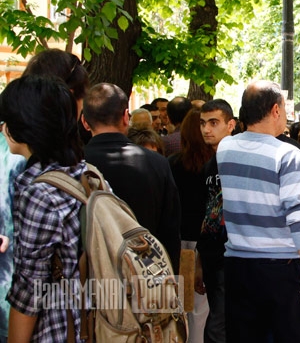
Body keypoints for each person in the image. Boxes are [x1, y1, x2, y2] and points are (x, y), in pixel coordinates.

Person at [216, 81, 300, 342]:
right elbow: (297, 212)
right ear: (275, 110)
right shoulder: (286, 153)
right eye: (284, 108)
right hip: (281, 266)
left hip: (238, 263)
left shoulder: (225, 148)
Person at [0, 49, 89, 343]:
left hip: (56, 330)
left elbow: (29, 292)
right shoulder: (86, 173)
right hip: (88, 323)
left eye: (8, 122)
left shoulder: (39, 192)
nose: (3, 129)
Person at [82, 83, 182, 272]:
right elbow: (170, 232)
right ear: (126, 117)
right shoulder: (157, 164)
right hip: (145, 275)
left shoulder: (73, 166)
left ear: (85, 122)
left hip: (90, 279)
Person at [168, 108, 211, 343]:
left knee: (179, 305)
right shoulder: (212, 166)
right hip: (202, 242)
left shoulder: (172, 164)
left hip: (177, 240)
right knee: (199, 309)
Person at [197, 99, 237, 343]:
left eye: (213, 123)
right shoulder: (209, 164)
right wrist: (200, 260)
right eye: (203, 123)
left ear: (230, 125)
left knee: (218, 326)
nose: (206, 129)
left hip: (233, 253)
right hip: (212, 252)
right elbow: (206, 213)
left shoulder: (236, 159)